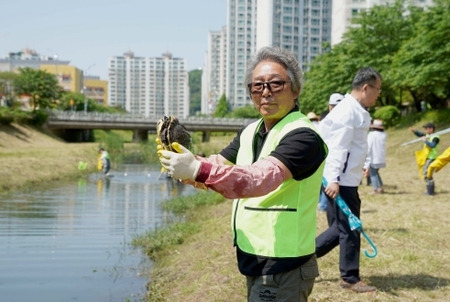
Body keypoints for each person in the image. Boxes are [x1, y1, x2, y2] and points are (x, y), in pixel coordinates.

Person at [158, 46, 327, 302]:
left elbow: (258, 179)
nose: (265, 92)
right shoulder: (250, 131)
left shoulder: (304, 137)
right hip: (253, 256)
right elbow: (219, 164)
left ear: (296, 89)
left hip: (284, 263)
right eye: (257, 86)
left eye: (276, 84)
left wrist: (197, 169)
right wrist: (183, 158)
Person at [316, 67, 382, 293]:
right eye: (378, 89)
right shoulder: (348, 111)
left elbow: (354, 146)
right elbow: (337, 148)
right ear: (366, 88)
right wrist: (333, 179)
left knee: (340, 228)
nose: (378, 95)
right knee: (350, 229)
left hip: (344, 178)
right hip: (340, 182)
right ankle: (350, 278)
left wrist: (362, 165)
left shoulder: (355, 109)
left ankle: (299, 258)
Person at [317, 92, 345, 212]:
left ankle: (323, 205)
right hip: (332, 165)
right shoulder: (328, 123)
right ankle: (323, 206)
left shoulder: (324, 123)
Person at [409, 122, 440, 195]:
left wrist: (425, 141)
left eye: (427, 128)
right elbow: (421, 135)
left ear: (431, 129)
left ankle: (430, 192)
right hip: (426, 157)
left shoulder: (436, 137)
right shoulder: (428, 135)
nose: (425, 129)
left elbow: (432, 145)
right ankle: (429, 191)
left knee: (427, 173)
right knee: (426, 173)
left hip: (431, 158)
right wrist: (414, 131)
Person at [366, 119, 387, 194]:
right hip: (381, 157)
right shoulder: (384, 135)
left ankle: (375, 189)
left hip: (373, 157)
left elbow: (368, 147)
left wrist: (366, 157)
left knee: (373, 174)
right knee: (376, 173)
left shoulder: (371, 135)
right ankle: (380, 187)